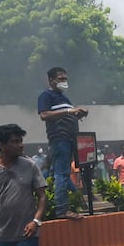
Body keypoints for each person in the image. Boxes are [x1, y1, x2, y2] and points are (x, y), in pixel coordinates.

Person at [37, 66, 88, 220]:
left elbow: (68, 116)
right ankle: (62, 210)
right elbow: (44, 115)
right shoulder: (46, 96)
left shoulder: (64, 99)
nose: (64, 82)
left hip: (70, 139)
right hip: (59, 139)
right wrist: (68, 111)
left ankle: (68, 201)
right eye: (61, 79)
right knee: (61, 174)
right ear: (51, 80)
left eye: (65, 78)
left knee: (57, 172)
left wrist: (78, 114)